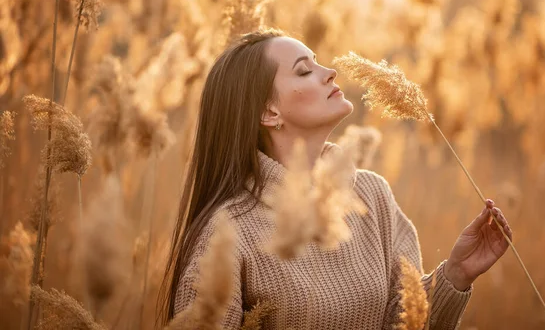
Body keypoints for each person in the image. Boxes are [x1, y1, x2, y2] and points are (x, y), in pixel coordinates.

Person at [158, 28, 513, 329]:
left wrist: (454, 275)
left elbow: (402, 322)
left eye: (318, 63)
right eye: (303, 71)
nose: (329, 72)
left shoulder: (371, 194)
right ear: (269, 112)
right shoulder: (227, 233)